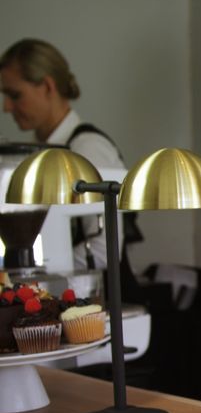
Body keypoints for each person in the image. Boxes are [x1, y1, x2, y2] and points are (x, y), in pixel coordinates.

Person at [0, 38, 126, 271]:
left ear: (48, 87)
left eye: (15, 95)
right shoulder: (33, 153)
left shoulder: (88, 148)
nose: (6, 107)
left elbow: (104, 250)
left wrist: (32, 272)